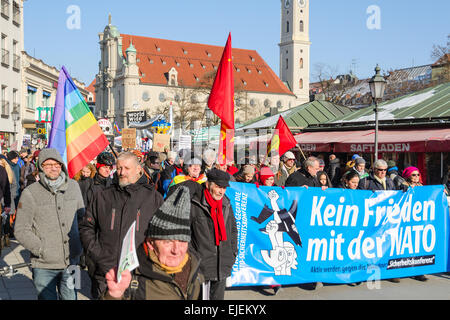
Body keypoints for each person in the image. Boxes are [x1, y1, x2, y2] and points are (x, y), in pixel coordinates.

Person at [79, 151, 164, 299]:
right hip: (106, 271)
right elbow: (86, 227)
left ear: (139, 169)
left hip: (140, 273)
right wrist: (98, 255)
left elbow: (162, 233)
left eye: (126, 168)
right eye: (118, 168)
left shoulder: (153, 198)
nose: (121, 172)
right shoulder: (103, 196)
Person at [103, 186, 204, 300]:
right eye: (168, 242)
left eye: (182, 241)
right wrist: (114, 295)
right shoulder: (131, 277)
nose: (176, 250)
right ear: (151, 243)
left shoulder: (196, 270)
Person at [14, 148, 84, 300]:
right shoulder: (30, 192)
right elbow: (20, 229)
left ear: (62, 166)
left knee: (72, 297)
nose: (53, 168)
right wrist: (41, 248)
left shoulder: (74, 187)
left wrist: (79, 246)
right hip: (43, 265)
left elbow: (82, 219)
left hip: (72, 262)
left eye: (57, 164)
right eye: (48, 164)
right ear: (40, 168)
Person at [189, 168, 238, 300]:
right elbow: (186, 234)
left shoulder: (226, 203)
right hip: (200, 267)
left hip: (222, 264)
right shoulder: (194, 203)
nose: (221, 191)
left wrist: (233, 252)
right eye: (218, 186)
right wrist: (194, 258)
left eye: (224, 188)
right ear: (208, 184)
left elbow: (233, 230)